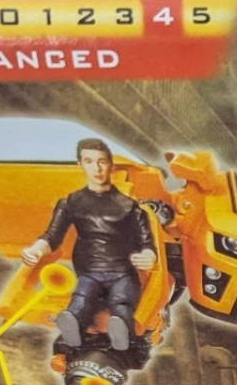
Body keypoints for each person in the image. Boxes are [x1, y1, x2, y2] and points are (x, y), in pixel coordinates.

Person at [20, 138, 155, 351]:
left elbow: (147, 243)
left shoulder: (130, 207)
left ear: (110, 165)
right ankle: (73, 329)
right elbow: (52, 236)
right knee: (80, 300)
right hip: (89, 273)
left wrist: (148, 257)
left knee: (121, 303)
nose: (97, 168)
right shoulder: (70, 203)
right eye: (89, 161)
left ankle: (121, 336)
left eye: (102, 161)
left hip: (122, 272)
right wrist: (36, 249)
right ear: (80, 165)